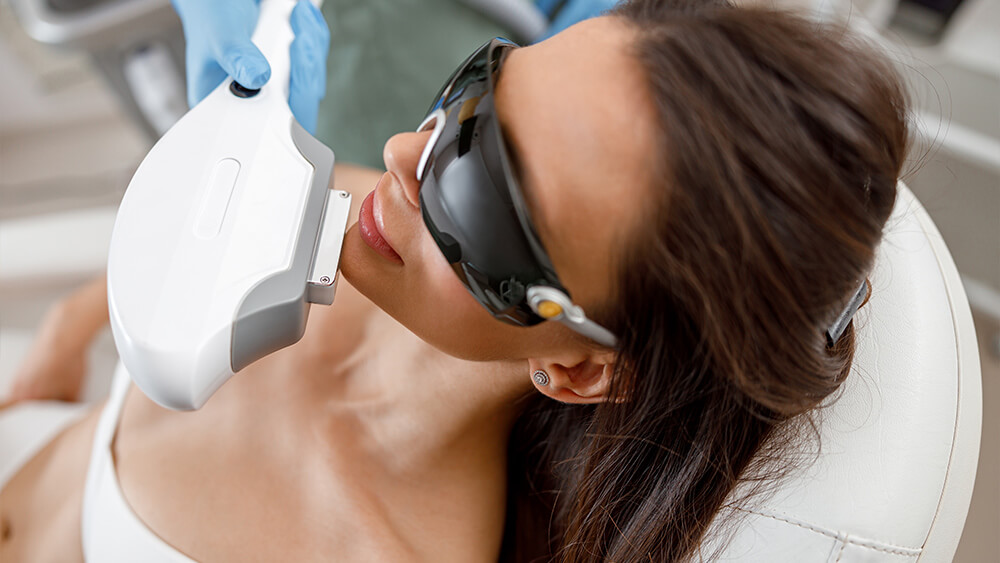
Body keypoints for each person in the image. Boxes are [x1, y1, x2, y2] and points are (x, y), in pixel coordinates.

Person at [0, 0, 909, 560]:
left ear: (585, 367)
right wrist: (70, 333)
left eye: (477, 200)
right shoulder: (369, 222)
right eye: (470, 95)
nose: (401, 150)